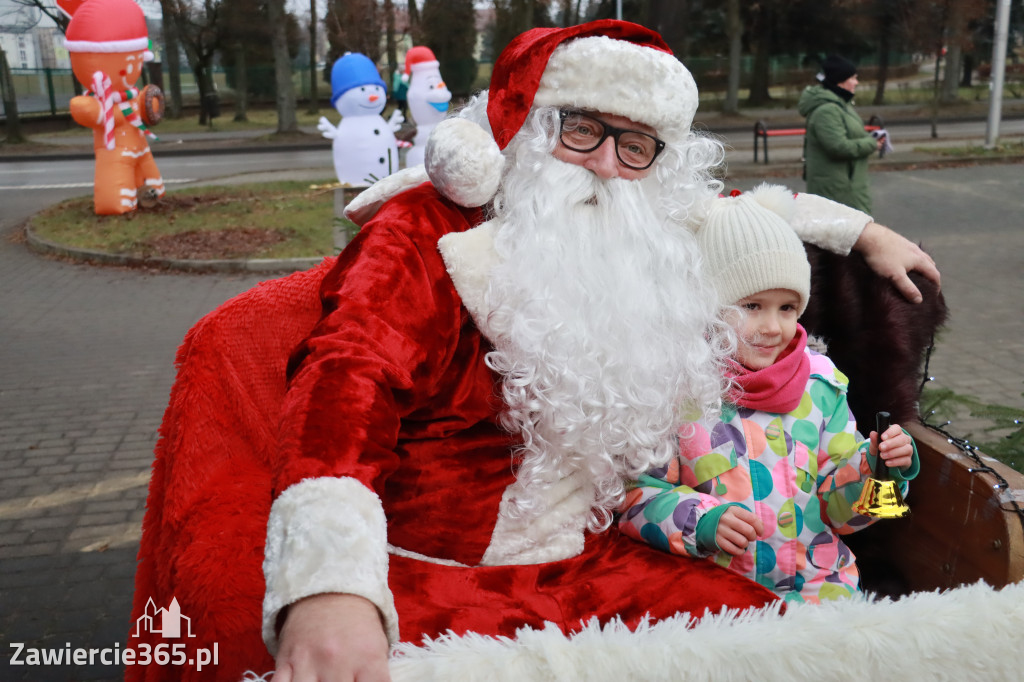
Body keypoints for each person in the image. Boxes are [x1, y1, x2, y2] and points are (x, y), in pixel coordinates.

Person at [260, 21, 939, 682]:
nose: (608, 167)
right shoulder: (427, 235)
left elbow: (745, 210)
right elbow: (345, 385)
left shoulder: (645, 220)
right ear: (527, 129)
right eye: (581, 130)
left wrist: (865, 231)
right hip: (448, 568)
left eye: (637, 145)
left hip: (602, 554)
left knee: (781, 646)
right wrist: (330, 583)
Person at [618, 189, 919, 604]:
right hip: (716, 590)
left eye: (787, 307)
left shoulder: (821, 384)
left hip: (820, 585)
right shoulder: (674, 388)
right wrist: (701, 522)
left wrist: (875, 470)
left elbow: (840, 513)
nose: (773, 326)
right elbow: (636, 496)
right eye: (752, 306)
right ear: (703, 306)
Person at [798, 55, 884, 213]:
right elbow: (838, 147)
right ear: (840, 80)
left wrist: (869, 139)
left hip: (847, 186)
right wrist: (871, 143)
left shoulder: (841, 104)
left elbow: (852, 135)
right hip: (837, 190)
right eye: (853, 78)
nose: (856, 83)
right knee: (848, 235)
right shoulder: (827, 110)